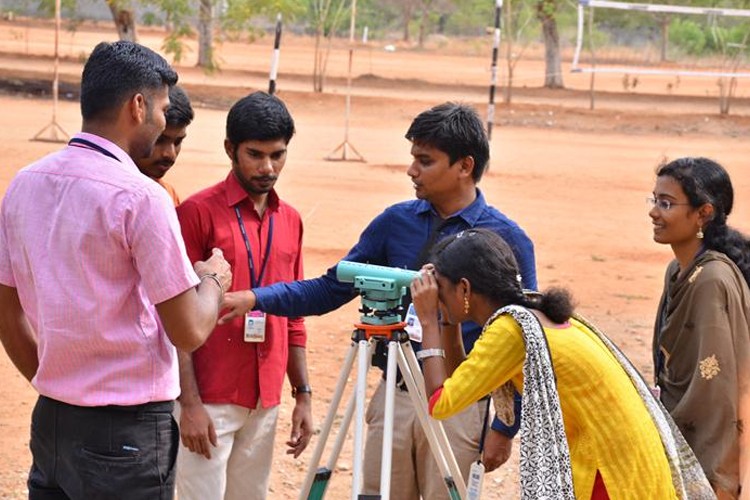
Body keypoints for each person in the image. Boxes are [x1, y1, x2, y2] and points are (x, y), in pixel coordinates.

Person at [220, 102, 536, 498]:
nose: (411, 170)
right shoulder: (394, 223)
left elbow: (521, 342)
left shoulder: (508, 240)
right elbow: (329, 288)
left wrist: (504, 429)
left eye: (425, 161)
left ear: (464, 166)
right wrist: (256, 298)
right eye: (412, 159)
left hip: (462, 402)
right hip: (395, 395)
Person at [0, 41, 232, 499]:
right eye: (164, 111)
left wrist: (63, 388)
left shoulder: (25, 183)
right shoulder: (141, 197)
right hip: (127, 430)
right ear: (138, 106)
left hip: (53, 419)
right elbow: (188, 330)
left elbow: (7, 316)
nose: (165, 123)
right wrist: (213, 281)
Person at [410, 228, 713, 499]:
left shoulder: (510, 331)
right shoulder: (532, 312)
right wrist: (445, 319)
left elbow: (441, 403)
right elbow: (459, 381)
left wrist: (427, 322)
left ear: (464, 289)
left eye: (442, 289)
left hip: (607, 471)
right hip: (627, 460)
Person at [174, 91, 313, 500]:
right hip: (210, 398)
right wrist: (190, 406)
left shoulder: (291, 220)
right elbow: (174, 316)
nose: (268, 167)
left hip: (265, 398)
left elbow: (296, 313)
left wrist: (302, 396)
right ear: (230, 149)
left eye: (278, 154)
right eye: (255, 154)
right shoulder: (197, 213)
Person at [649, 157, 750, 499]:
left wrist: (656, 424)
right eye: (654, 200)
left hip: (707, 452)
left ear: (703, 213)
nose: (654, 212)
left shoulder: (710, 279)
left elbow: (715, 383)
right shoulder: (678, 271)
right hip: (678, 432)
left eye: (666, 203)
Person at [136, 84, 194, 205]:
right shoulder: (108, 190)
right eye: (159, 140)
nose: (170, 154)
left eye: (178, 142)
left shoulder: (168, 195)